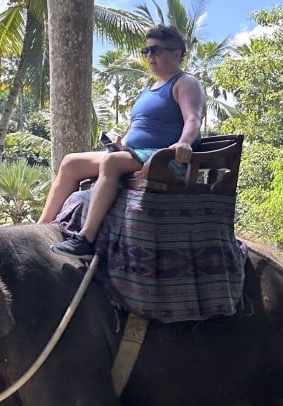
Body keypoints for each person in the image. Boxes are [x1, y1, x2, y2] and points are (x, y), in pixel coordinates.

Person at [38, 25, 206, 255]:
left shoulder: (185, 83)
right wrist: (122, 143)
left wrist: (184, 142)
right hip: (134, 153)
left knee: (111, 163)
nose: (149, 56)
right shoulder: (149, 88)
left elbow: (193, 119)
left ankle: (86, 238)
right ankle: (42, 227)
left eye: (155, 50)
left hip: (163, 156)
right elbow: (142, 127)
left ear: (176, 54)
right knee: (70, 162)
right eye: (146, 51)